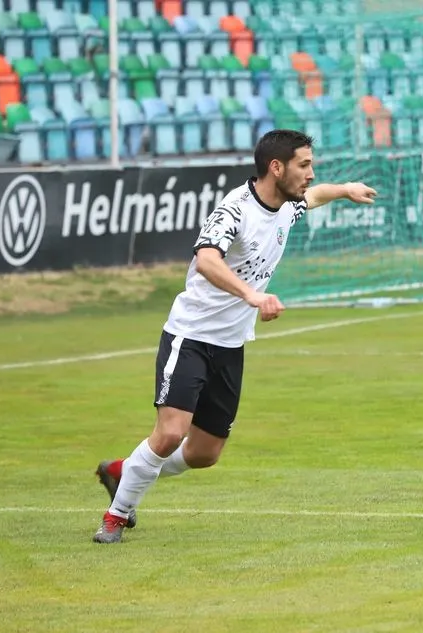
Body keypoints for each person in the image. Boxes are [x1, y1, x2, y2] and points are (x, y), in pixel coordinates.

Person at [93, 130, 377, 544]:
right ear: (275, 168)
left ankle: (122, 471)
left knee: (204, 454)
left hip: (230, 345)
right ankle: (116, 517)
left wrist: (346, 189)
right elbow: (206, 259)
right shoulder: (235, 209)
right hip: (190, 336)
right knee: (171, 431)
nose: (311, 174)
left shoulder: (290, 203)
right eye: (304, 165)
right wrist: (252, 295)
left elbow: (314, 198)